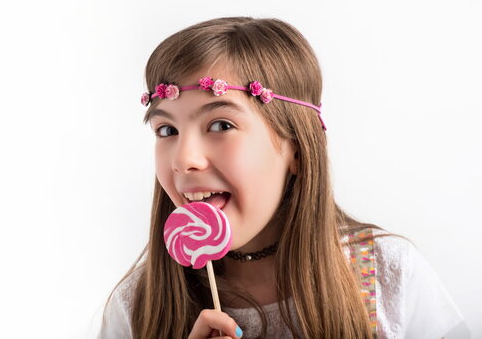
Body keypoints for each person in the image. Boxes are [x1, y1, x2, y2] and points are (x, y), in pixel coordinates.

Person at [99, 17, 464, 339]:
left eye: (220, 124)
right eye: (166, 130)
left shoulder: (387, 276)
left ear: (298, 151)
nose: (184, 160)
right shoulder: (137, 307)